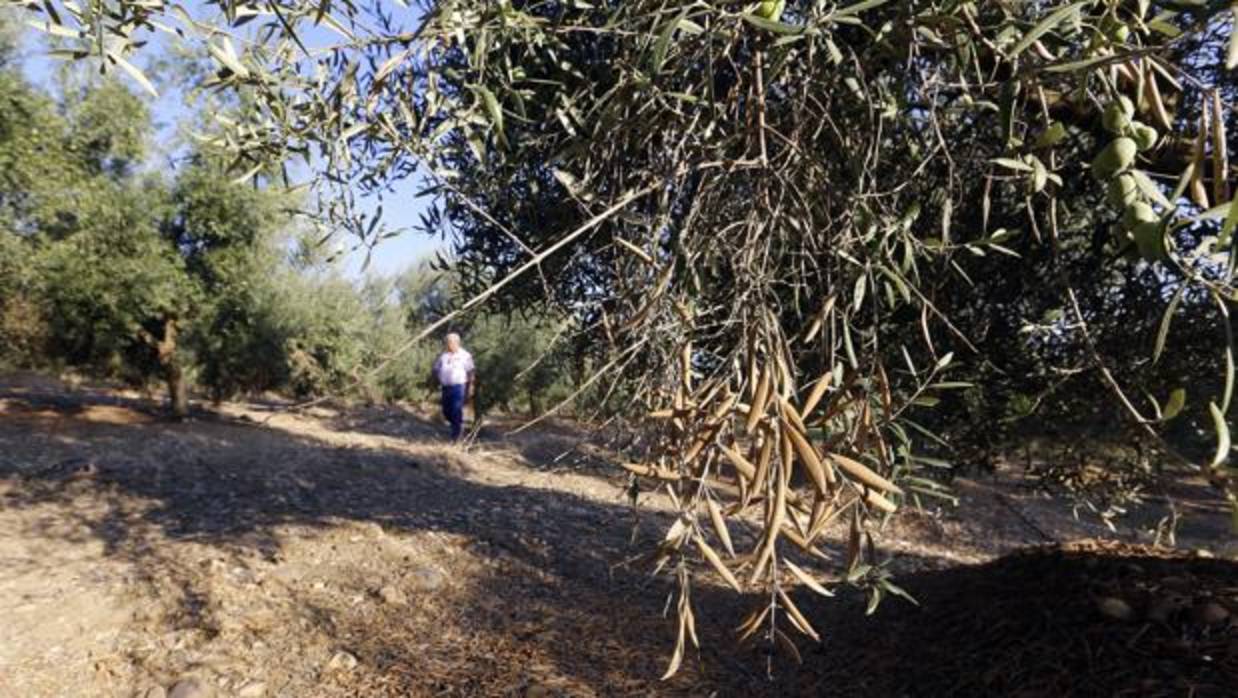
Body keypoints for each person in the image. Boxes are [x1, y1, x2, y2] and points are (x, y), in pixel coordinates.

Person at [431, 332, 475, 441]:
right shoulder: (443, 356)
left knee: (456, 410)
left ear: (457, 343)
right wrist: (437, 377)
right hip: (446, 387)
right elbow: (436, 369)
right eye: (447, 342)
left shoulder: (465, 355)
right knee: (446, 411)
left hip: (458, 387)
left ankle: (456, 436)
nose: (448, 344)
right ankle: (457, 426)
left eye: (450, 342)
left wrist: (471, 387)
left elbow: (471, 371)